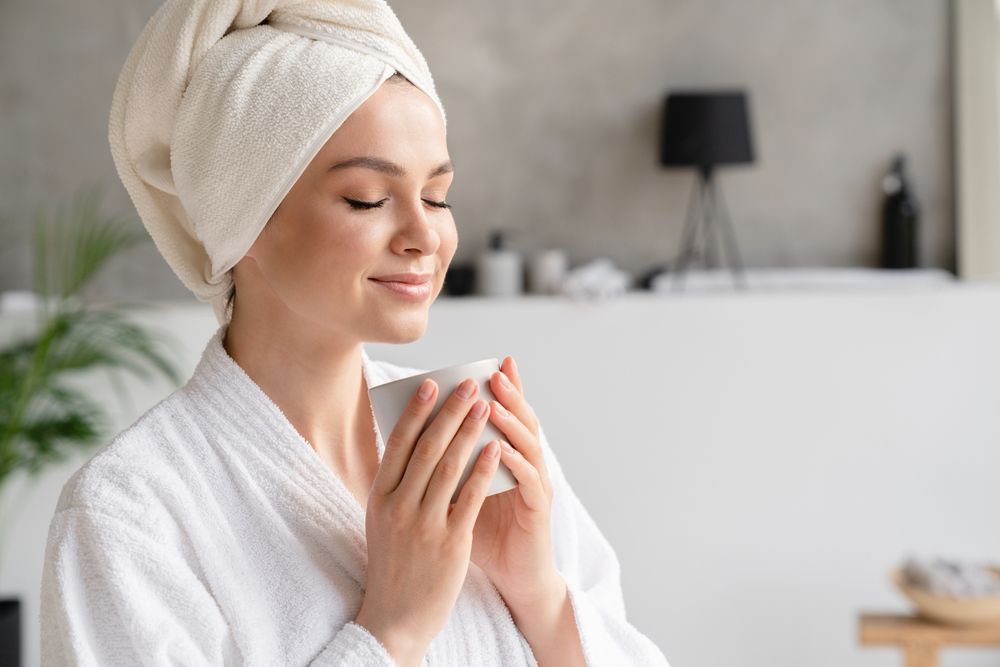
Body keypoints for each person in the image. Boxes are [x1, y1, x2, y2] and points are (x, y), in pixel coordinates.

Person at [39, 1, 671, 665]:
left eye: (437, 197)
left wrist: (537, 593)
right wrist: (392, 628)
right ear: (239, 218)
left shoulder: (472, 439)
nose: (425, 235)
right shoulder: (130, 514)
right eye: (367, 198)